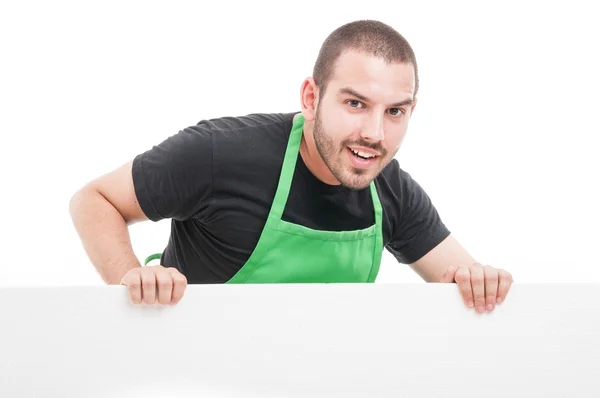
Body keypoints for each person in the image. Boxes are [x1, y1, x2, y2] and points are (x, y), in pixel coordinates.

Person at [69, 19, 513, 313]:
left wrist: (481, 281)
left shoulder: (393, 194)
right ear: (311, 97)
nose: (375, 134)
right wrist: (130, 278)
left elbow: (467, 284)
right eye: (355, 103)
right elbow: (94, 199)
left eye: (394, 111)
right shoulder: (220, 154)